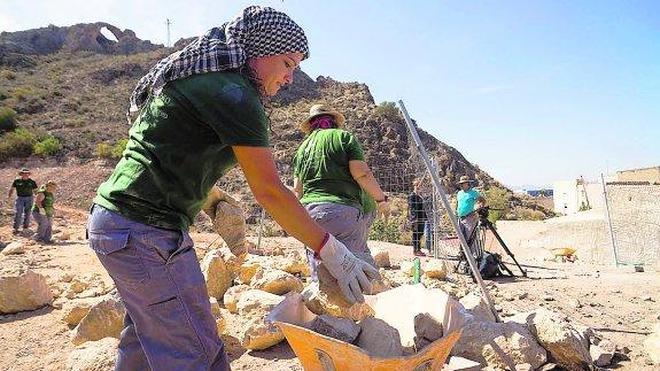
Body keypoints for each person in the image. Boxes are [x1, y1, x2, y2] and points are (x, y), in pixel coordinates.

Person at [87, 7, 378, 371]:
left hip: (123, 226)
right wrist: (330, 249)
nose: (290, 78)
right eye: (287, 64)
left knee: (146, 346)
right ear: (258, 50)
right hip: (144, 231)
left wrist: (210, 195)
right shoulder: (234, 94)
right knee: (197, 354)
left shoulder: (207, 82)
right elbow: (270, 191)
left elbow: (162, 150)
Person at [292, 104, 389, 280]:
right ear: (335, 121)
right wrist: (381, 200)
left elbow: (297, 190)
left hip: (309, 216)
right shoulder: (344, 137)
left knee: (320, 276)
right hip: (343, 213)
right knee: (353, 272)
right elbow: (362, 173)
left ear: (311, 125)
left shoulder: (302, 149)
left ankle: (319, 302)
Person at [456, 175, 486, 252]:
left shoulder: (473, 193)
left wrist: (479, 208)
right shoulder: (459, 193)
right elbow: (458, 204)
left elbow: (482, 200)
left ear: (467, 183)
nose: (461, 185)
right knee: (461, 237)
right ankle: (464, 255)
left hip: (469, 217)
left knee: (471, 237)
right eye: (460, 184)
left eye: (463, 183)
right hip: (460, 217)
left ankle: (474, 256)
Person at [7, 168, 38, 234]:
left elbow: (36, 191)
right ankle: (16, 228)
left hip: (29, 198)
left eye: (27, 173)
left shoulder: (32, 182)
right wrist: (9, 197)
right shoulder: (17, 181)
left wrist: (38, 200)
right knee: (18, 212)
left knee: (28, 213)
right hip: (20, 198)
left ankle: (25, 227)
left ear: (29, 174)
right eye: (24, 173)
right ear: (21, 174)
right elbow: (12, 189)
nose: (25, 174)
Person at [408, 180, 428, 256]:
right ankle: (416, 250)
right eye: (417, 185)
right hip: (416, 218)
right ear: (414, 186)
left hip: (421, 218)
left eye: (419, 185)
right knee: (416, 234)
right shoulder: (412, 196)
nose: (419, 187)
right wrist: (414, 219)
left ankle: (418, 249)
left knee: (420, 234)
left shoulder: (420, 196)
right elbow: (412, 208)